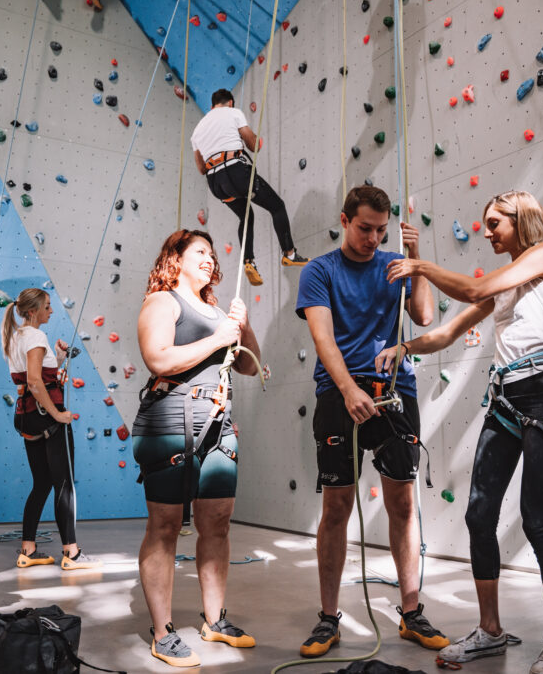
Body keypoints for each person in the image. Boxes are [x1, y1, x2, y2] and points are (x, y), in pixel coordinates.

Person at [376, 190, 543, 673]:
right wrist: (405, 346)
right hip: (506, 399)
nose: (486, 233)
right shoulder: (507, 282)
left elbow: (470, 290)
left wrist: (422, 268)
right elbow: (447, 332)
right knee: (478, 515)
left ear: (520, 218)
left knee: (536, 520)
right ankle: (489, 630)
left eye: (493, 224)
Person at [294, 184, 447, 657]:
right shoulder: (319, 271)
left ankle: (411, 611)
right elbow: (325, 340)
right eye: (365, 228)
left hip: (395, 390)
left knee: (402, 504)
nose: (373, 238)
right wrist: (348, 390)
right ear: (344, 221)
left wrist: (417, 263)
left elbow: (421, 316)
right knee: (336, 507)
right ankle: (327, 618)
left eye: (382, 230)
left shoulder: (393, 266)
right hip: (340, 392)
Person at [133, 229, 261, 668]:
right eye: (199, 252)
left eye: (211, 253)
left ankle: (214, 620)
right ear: (177, 259)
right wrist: (218, 336)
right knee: (165, 526)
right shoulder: (163, 302)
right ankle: (162, 631)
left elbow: (246, 364)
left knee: (218, 523)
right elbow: (159, 359)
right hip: (169, 423)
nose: (209, 258)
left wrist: (241, 325)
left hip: (217, 426)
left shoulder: (217, 310)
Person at [1, 288, 101, 571]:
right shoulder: (35, 336)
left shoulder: (15, 337)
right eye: (47, 306)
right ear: (33, 312)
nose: (51, 311)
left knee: (42, 483)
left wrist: (56, 359)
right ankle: (72, 553)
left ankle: (28, 550)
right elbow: (35, 381)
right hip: (46, 417)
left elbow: (36, 377)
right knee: (64, 484)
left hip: (28, 416)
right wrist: (58, 414)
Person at [191, 88, 308, 286]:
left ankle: (248, 261)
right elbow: (253, 145)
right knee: (277, 206)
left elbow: (201, 168)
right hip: (236, 173)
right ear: (231, 102)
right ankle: (289, 253)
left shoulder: (197, 130)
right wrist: (255, 139)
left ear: (212, 106)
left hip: (216, 183)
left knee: (246, 217)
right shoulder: (233, 113)